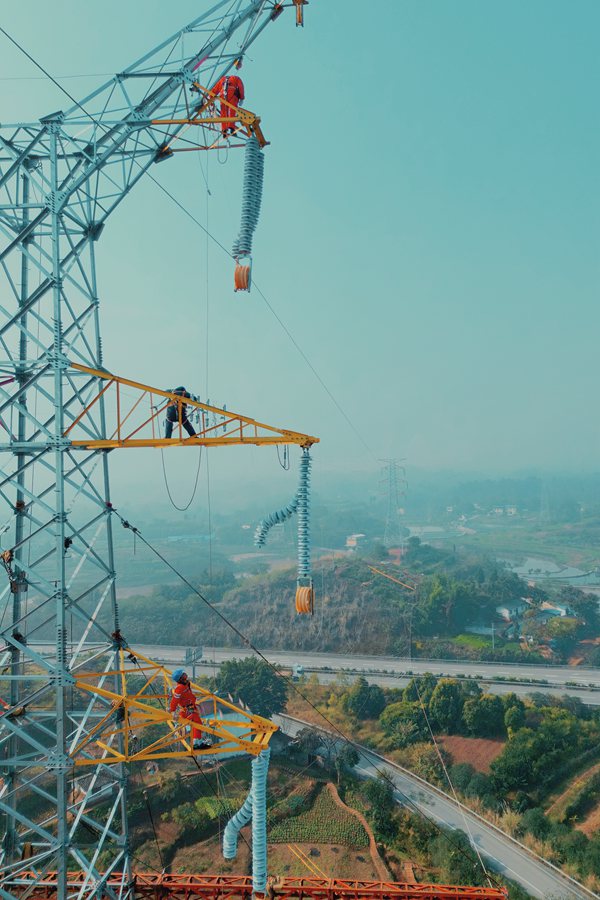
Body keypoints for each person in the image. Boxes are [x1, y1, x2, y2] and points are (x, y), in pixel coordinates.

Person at [169, 668, 212, 750]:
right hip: (186, 710)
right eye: (183, 674)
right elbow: (175, 700)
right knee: (196, 722)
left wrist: (194, 700)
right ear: (180, 678)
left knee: (198, 723)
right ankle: (196, 743)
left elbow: (189, 694)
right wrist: (172, 711)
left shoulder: (186, 684)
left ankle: (198, 742)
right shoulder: (179, 688)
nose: (186, 675)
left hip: (190, 707)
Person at [212, 61, 245, 136]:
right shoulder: (236, 78)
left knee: (223, 113)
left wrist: (209, 99)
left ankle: (224, 130)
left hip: (223, 96)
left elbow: (214, 90)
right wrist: (242, 98)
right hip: (233, 96)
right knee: (232, 112)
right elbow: (241, 87)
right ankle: (231, 128)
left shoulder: (222, 80)